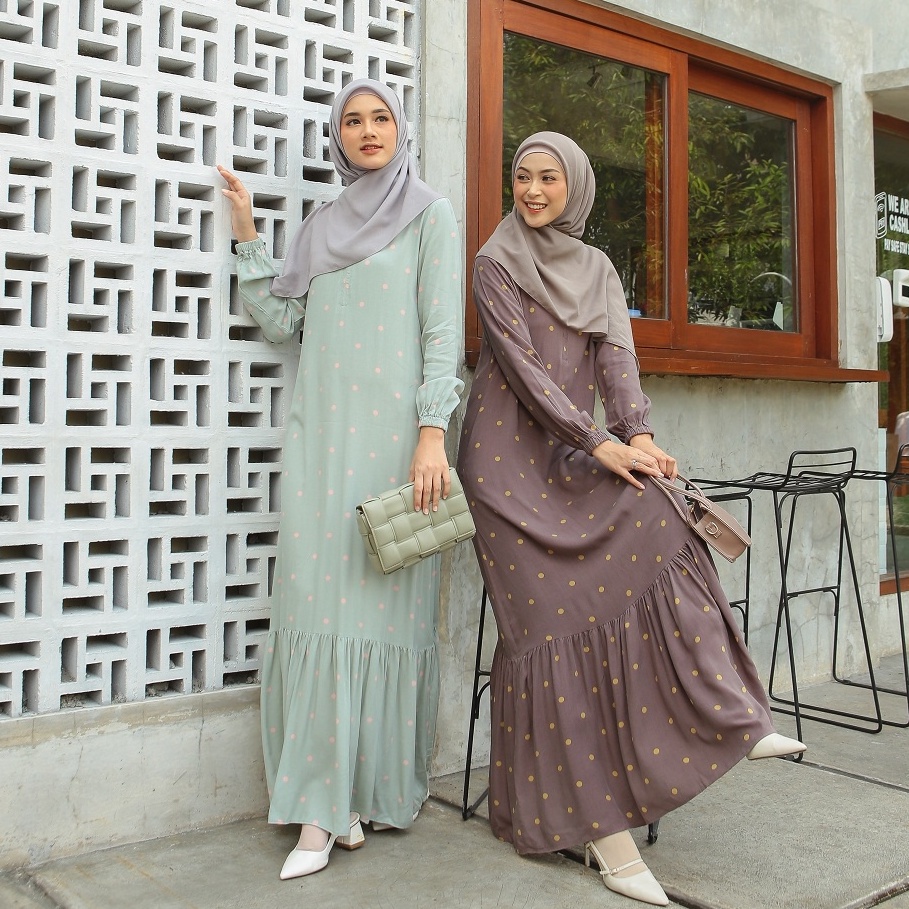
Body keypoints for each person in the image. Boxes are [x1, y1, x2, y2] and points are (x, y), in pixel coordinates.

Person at [457, 131, 804, 907]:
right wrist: (598, 441)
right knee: (551, 634)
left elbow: (616, 359)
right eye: (522, 176)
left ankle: (734, 716)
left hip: (578, 449)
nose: (532, 190)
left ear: (574, 187)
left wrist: (637, 434)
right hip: (506, 467)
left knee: (665, 511)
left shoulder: (598, 268)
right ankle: (607, 843)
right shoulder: (494, 259)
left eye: (548, 178)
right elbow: (522, 369)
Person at [217, 78, 464, 881]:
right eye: (352, 121)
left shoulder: (430, 214)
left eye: (379, 117)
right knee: (315, 610)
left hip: (399, 450)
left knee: (383, 617)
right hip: (321, 446)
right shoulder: (320, 225)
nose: (366, 130)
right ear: (337, 137)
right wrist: (248, 234)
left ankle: (359, 795)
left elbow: (442, 332)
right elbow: (286, 322)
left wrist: (432, 433)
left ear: (400, 128)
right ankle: (322, 807)